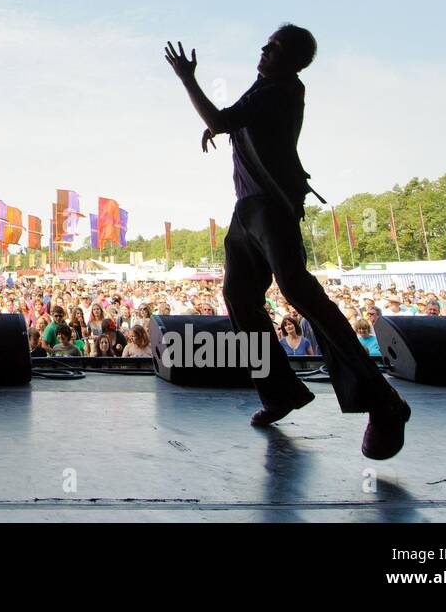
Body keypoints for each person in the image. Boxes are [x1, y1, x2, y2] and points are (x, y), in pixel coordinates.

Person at [165, 26, 409, 459]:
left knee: (300, 293)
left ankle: (383, 401)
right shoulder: (264, 87)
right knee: (239, 299)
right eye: (267, 42)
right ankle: (278, 393)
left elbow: (222, 118)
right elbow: (230, 121)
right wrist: (222, 129)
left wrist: (188, 80)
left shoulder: (282, 90)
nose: (264, 48)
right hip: (247, 211)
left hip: (271, 209)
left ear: (292, 59)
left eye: (274, 46)